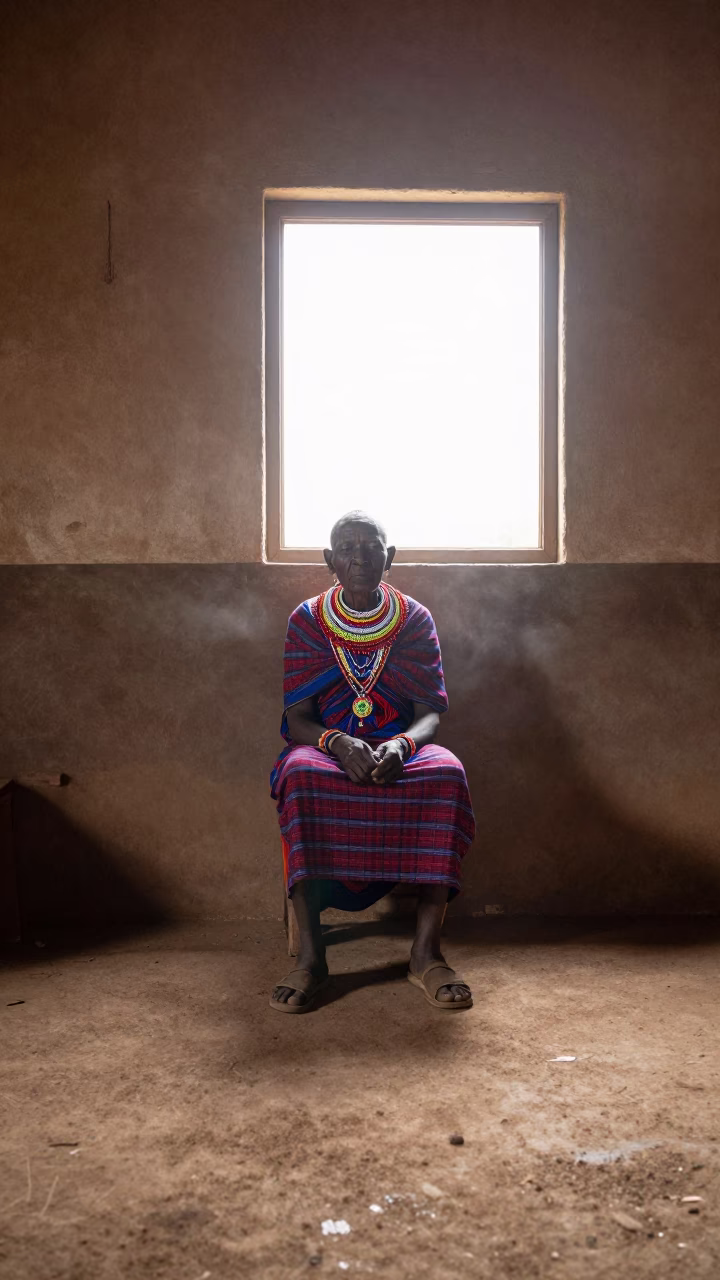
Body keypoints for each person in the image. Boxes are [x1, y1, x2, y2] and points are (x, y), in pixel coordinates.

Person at [269, 512, 475, 1013]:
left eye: (370, 546)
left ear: (390, 557)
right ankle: (312, 960)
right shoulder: (308, 618)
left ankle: (426, 954)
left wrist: (402, 746)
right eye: (346, 546)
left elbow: (430, 716)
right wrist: (338, 744)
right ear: (329, 560)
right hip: (328, 747)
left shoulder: (414, 618)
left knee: (446, 771)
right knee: (299, 773)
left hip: (398, 747)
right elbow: (296, 719)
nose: (359, 556)